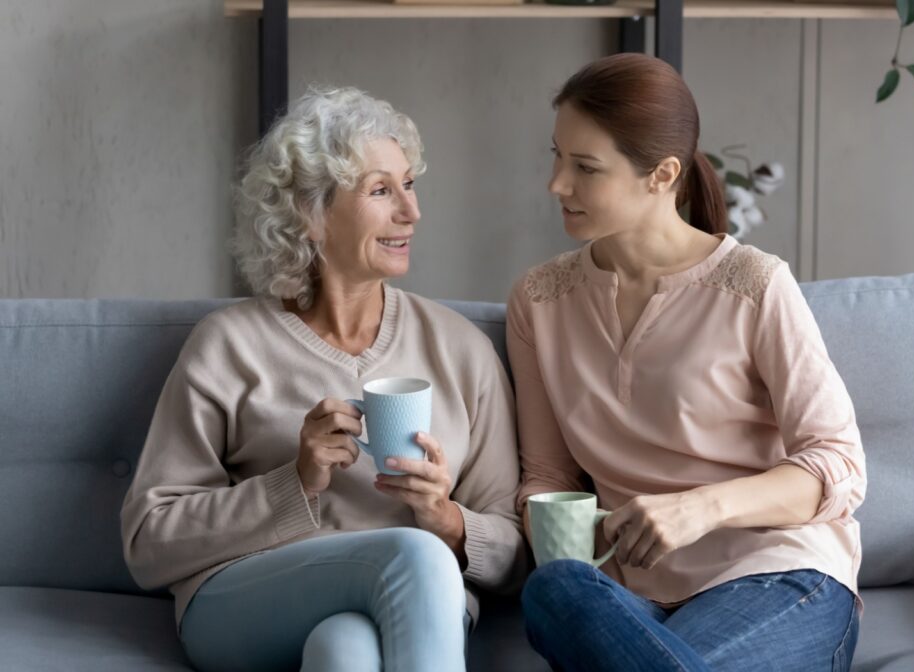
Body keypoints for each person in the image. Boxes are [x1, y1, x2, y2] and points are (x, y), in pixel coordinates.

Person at [121, 86, 526, 672]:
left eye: (408, 184)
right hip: (244, 604)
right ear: (310, 215)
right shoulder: (228, 345)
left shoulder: (461, 349)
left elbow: (516, 556)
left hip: (413, 602)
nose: (412, 212)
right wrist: (295, 482)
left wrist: (447, 518)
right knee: (411, 558)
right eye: (381, 190)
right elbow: (147, 544)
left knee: (345, 650)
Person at [508, 53, 866, 672]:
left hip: (775, 578)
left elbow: (838, 464)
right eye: (556, 156)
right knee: (554, 588)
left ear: (661, 175)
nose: (557, 185)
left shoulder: (754, 285)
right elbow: (546, 476)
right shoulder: (540, 301)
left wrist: (701, 507)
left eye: (585, 167)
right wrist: (559, 531)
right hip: (630, 603)